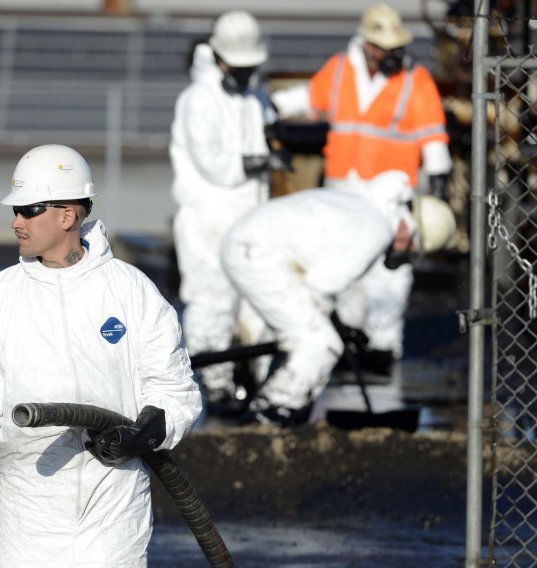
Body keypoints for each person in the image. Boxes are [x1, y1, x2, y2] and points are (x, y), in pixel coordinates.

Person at [0, 144, 202, 567]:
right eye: (16, 210)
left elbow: (175, 391)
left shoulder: (131, 291)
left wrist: (143, 433)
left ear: (67, 215)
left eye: (29, 209)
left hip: (112, 504)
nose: (16, 221)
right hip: (27, 510)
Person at [270, 3, 453, 366]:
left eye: (396, 49)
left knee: (389, 272)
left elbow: (432, 135)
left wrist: (438, 176)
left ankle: (383, 346)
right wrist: (269, 107)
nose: (392, 56)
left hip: (392, 193)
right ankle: (351, 339)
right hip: (346, 190)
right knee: (345, 267)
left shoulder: (415, 80)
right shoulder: (341, 70)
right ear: (368, 45)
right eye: (385, 49)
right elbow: (310, 98)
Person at [220, 172, 456, 426]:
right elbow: (321, 284)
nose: (406, 255)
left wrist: (337, 322)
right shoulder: (376, 230)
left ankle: (278, 407)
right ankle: (269, 416)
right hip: (259, 254)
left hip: (251, 244)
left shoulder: (367, 208)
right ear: (409, 231)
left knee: (302, 337)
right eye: (413, 248)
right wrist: (338, 326)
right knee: (320, 343)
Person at [170, 10, 284, 414]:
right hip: (208, 217)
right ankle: (213, 384)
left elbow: (270, 127)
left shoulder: (253, 98)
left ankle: (257, 384)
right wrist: (260, 162)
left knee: (259, 300)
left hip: (250, 217)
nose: (244, 73)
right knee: (212, 300)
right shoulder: (197, 100)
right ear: (219, 58)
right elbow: (214, 164)